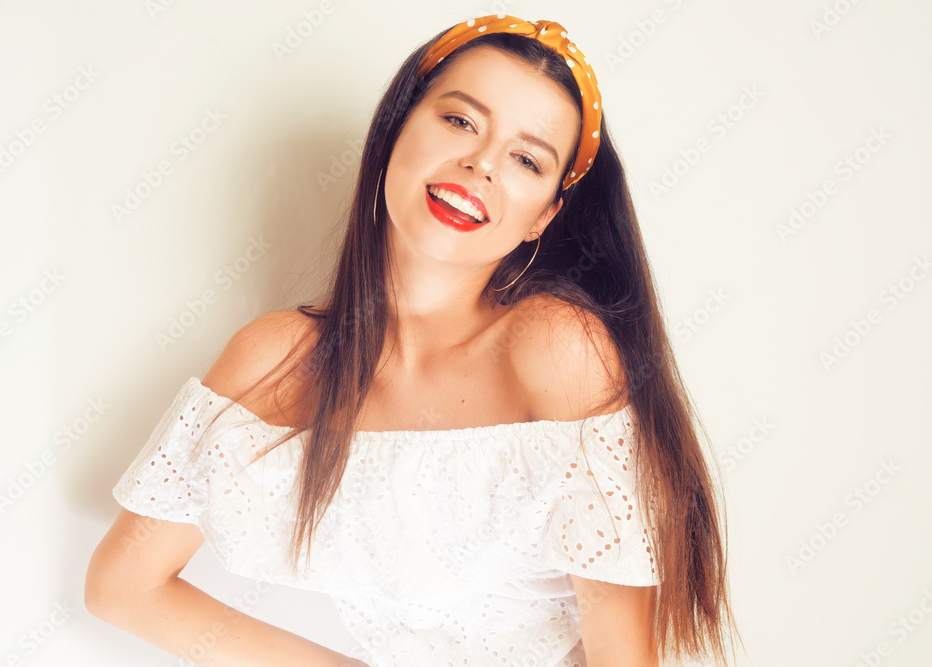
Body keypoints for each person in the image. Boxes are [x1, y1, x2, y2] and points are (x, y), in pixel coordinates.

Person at [85, 14, 743, 667]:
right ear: (396, 125)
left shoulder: (559, 349)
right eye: (459, 121)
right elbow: (123, 588)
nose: (480, 165)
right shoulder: (276, 359)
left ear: (544, 213)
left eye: (525, 158)